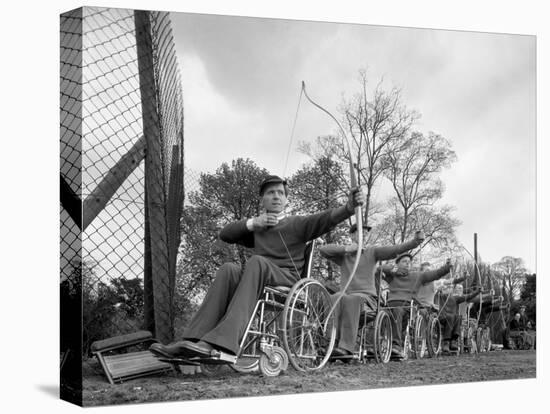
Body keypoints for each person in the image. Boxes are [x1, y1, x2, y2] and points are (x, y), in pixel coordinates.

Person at [150, 175, 365, 359]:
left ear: (286, 199)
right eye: (270, 192)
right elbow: (225, 234)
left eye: (280, 193)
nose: (276, 196)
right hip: (257, 277)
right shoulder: (259, 225)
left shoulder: (297, 223)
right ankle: (193, 341)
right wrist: (254, 223)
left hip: (287, 281)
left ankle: (223, 343)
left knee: (256, 262)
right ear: (263, 199)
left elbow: (327, 219)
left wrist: (348, 207)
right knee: (229, 269)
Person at [318, 226, 425, 359]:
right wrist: (347, 249)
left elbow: (395, 250)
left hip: (367, 298)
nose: (364, 235)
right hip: (346, 294)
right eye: (360, 232)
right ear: (351, 236)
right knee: (335, 297)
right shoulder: (344, 255)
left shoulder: (372, 252)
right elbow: (323, 250)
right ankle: (329, 343)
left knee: (353, 299)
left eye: (366, 233)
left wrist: (415, 241)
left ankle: (345, 348)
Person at [384, 253, 452, 358]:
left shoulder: (417, 276)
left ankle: (397, 346)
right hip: (389, 305)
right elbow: (379, 269)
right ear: (397, 264)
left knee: (397, 311)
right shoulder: (392, 275)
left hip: (407, 306)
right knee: (380, 313)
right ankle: (378, 345)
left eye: (409, 262)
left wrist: (446, 267)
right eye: (404, 261)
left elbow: (435, 274)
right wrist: (392, 270)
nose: (407, 264)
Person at [437, 283, 484, 353]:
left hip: (452, 319)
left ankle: (453, 341)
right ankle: (446, 342)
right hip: (442, 318)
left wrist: (477, 291)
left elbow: (469, 296)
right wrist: (439, 289)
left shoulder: (455, 298)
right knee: (451, 317)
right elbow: (436, 290)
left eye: (450, 288)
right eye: (446, 288)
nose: (448, 289)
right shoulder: (439, 296)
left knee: (458, 317)